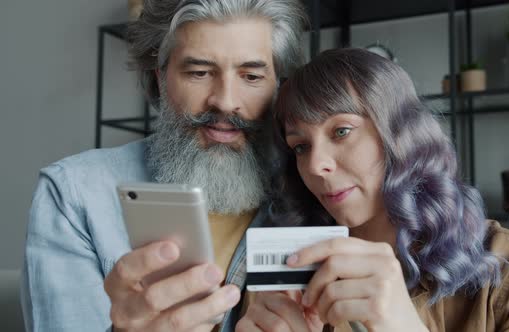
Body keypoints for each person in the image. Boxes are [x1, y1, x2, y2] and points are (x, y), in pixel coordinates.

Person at [237, 48, 509, 332]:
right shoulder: (284, 273)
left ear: (399, 135)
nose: (315, 165)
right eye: (300, 147)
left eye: (341, 131)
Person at [21, 0, 306, 331]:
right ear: (159, 79)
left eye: (252, 76)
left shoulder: (317, 188)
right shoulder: (74, 195)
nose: (226, 101)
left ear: (278, 87)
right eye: (199, 72)